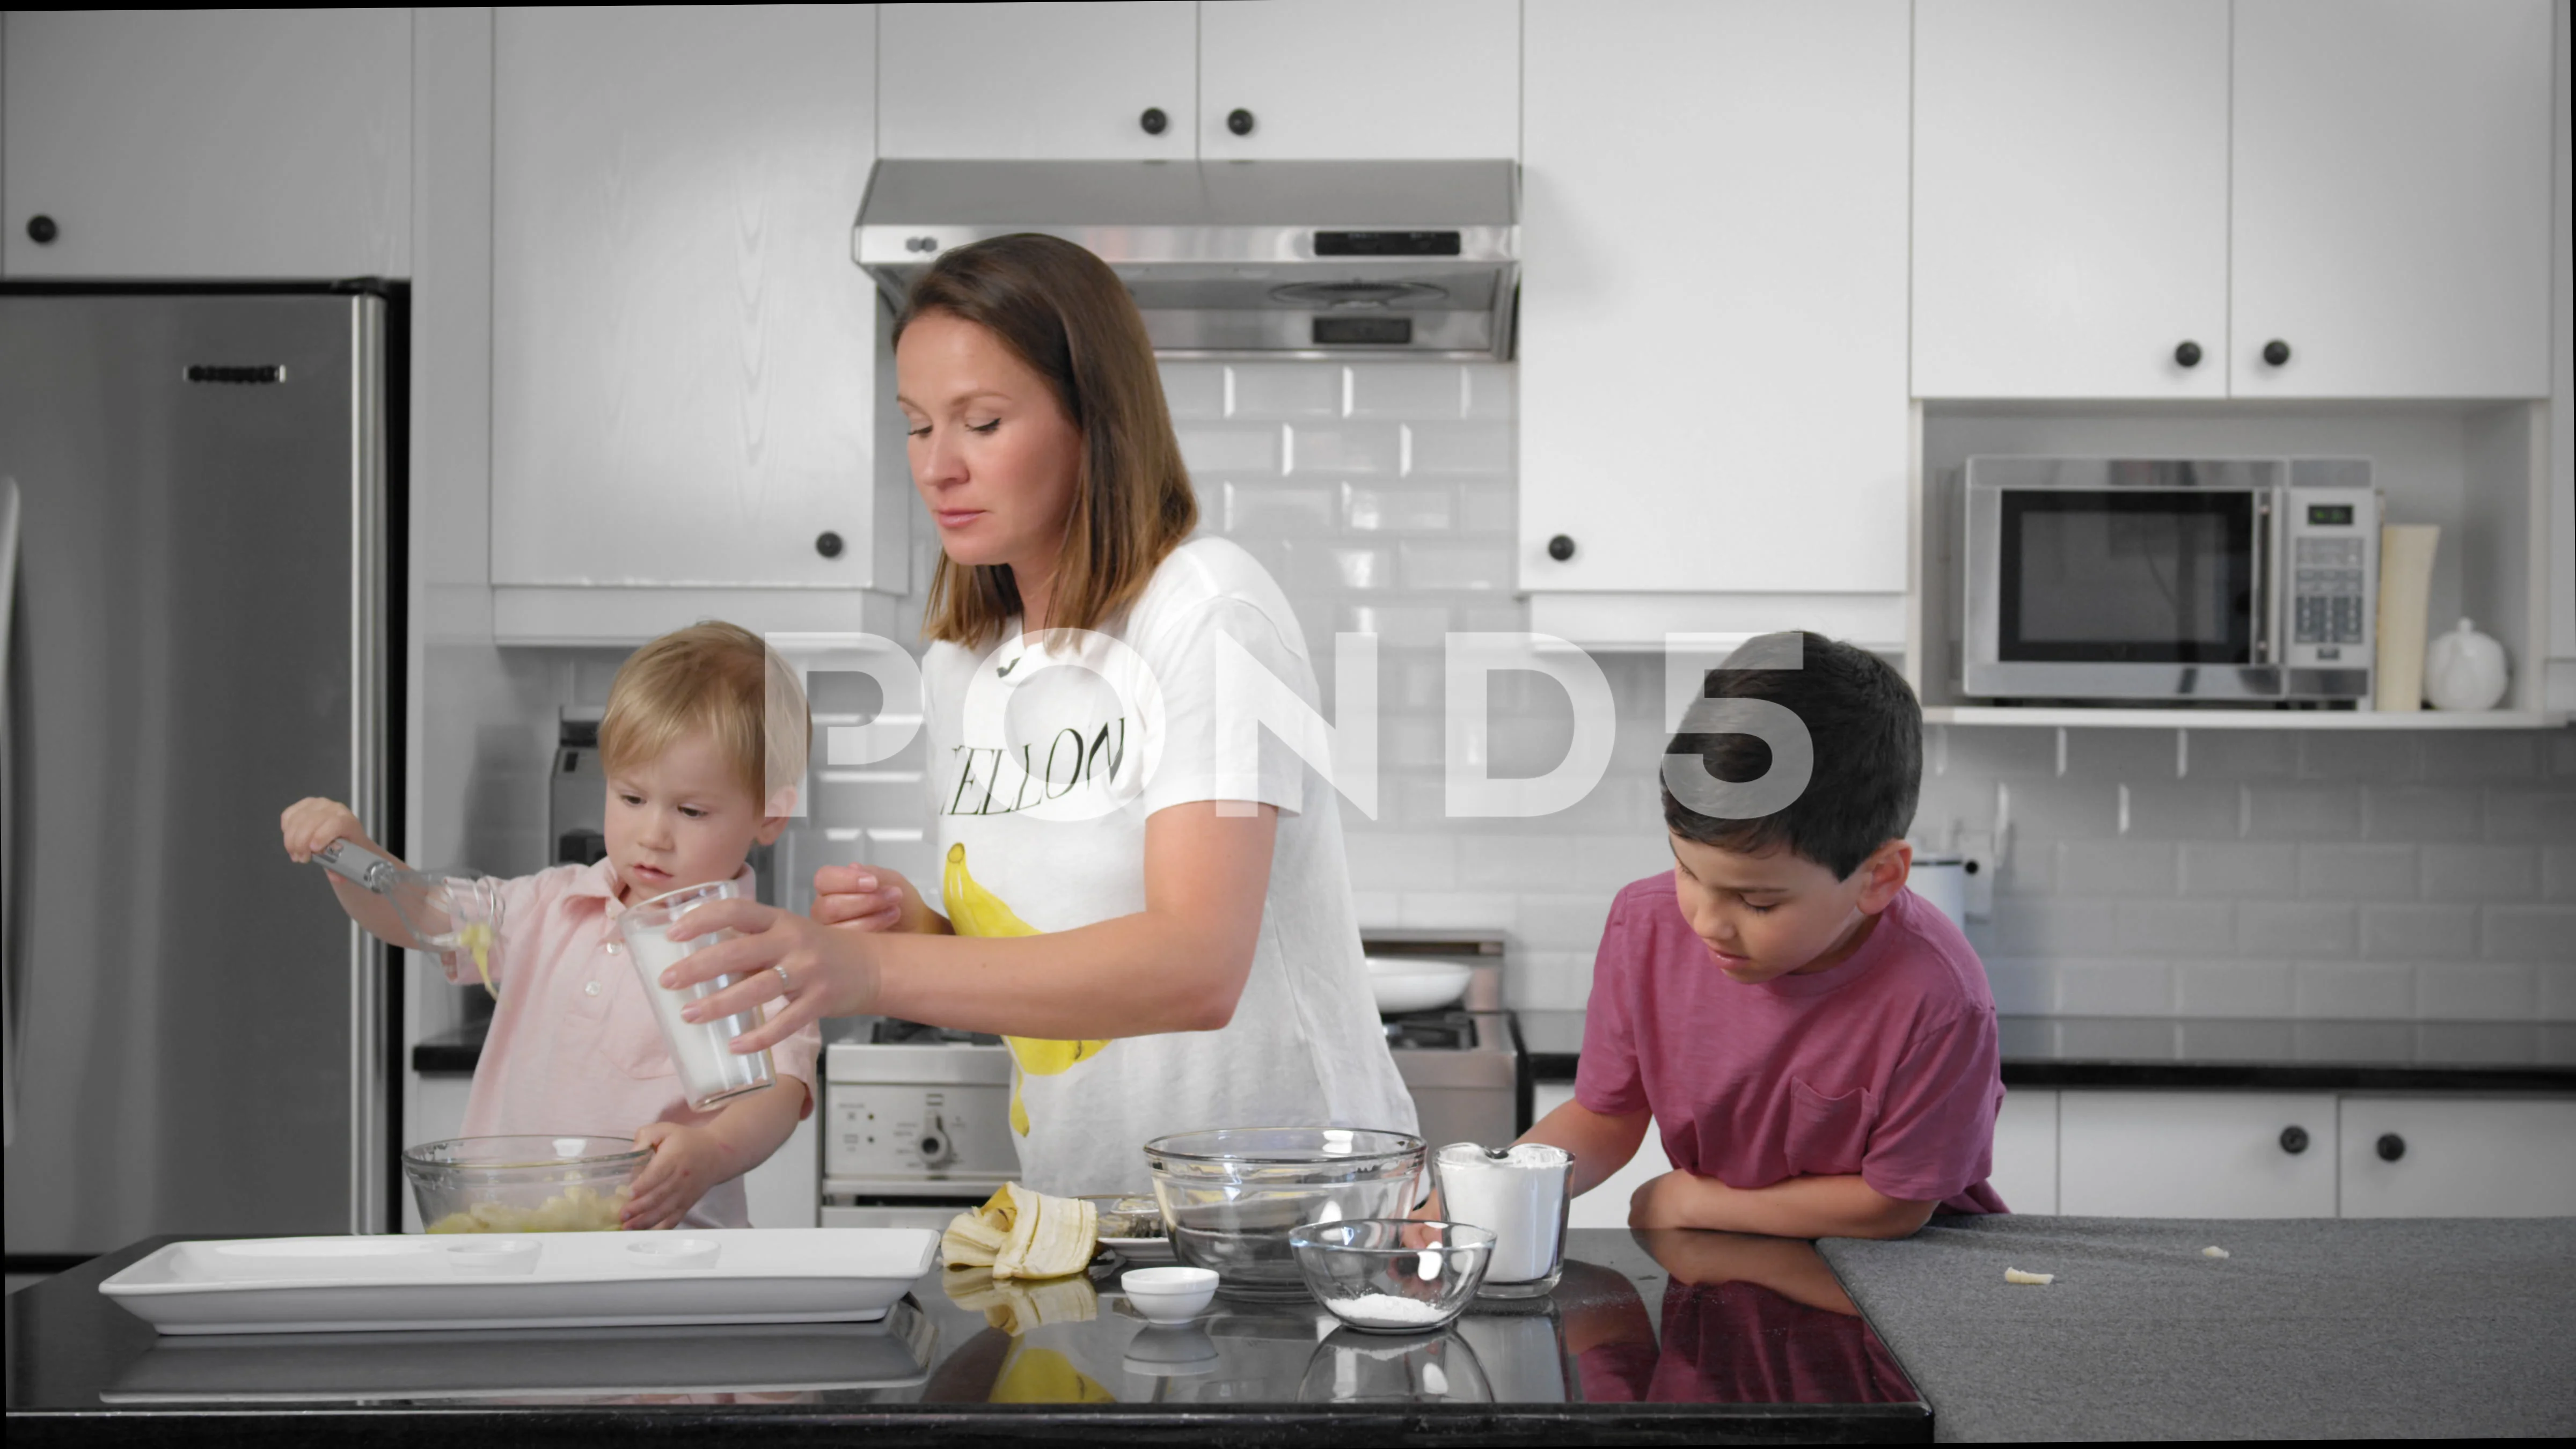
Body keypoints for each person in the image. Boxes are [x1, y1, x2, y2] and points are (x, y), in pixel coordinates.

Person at [647, 233, 1412, 1196]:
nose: (937, 467)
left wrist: (872, 973)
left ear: (1094, 418)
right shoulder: (962, 667)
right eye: (919, 425)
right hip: (1087, 1210)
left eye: (982, 422)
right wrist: (912, 931)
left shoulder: (1207, 610)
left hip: (1283, 1216)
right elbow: (1040, 961)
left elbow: (1195, 967)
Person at [280, 621, 822, 1228]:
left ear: (772, 813)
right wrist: (353, 858)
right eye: (631, 798)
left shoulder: (767, 958)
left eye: (691, 811)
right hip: (510, 1243)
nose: (653, 835)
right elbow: (417, 913)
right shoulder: (547, 907)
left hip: (670, 1261)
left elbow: (782, 1094)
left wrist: (711, 1153)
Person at [1518, 631, 2006, 1238]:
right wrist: (1482, 1200)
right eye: (1688, 870)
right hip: (1729, 1265)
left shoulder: (1940, 997)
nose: (1707, 922)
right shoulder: (1642, 926)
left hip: (1897, 1282)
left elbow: (1897, 1205)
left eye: (1757, 901)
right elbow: (1603, 1116)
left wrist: (1693, 1204)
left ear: (1879, 877)